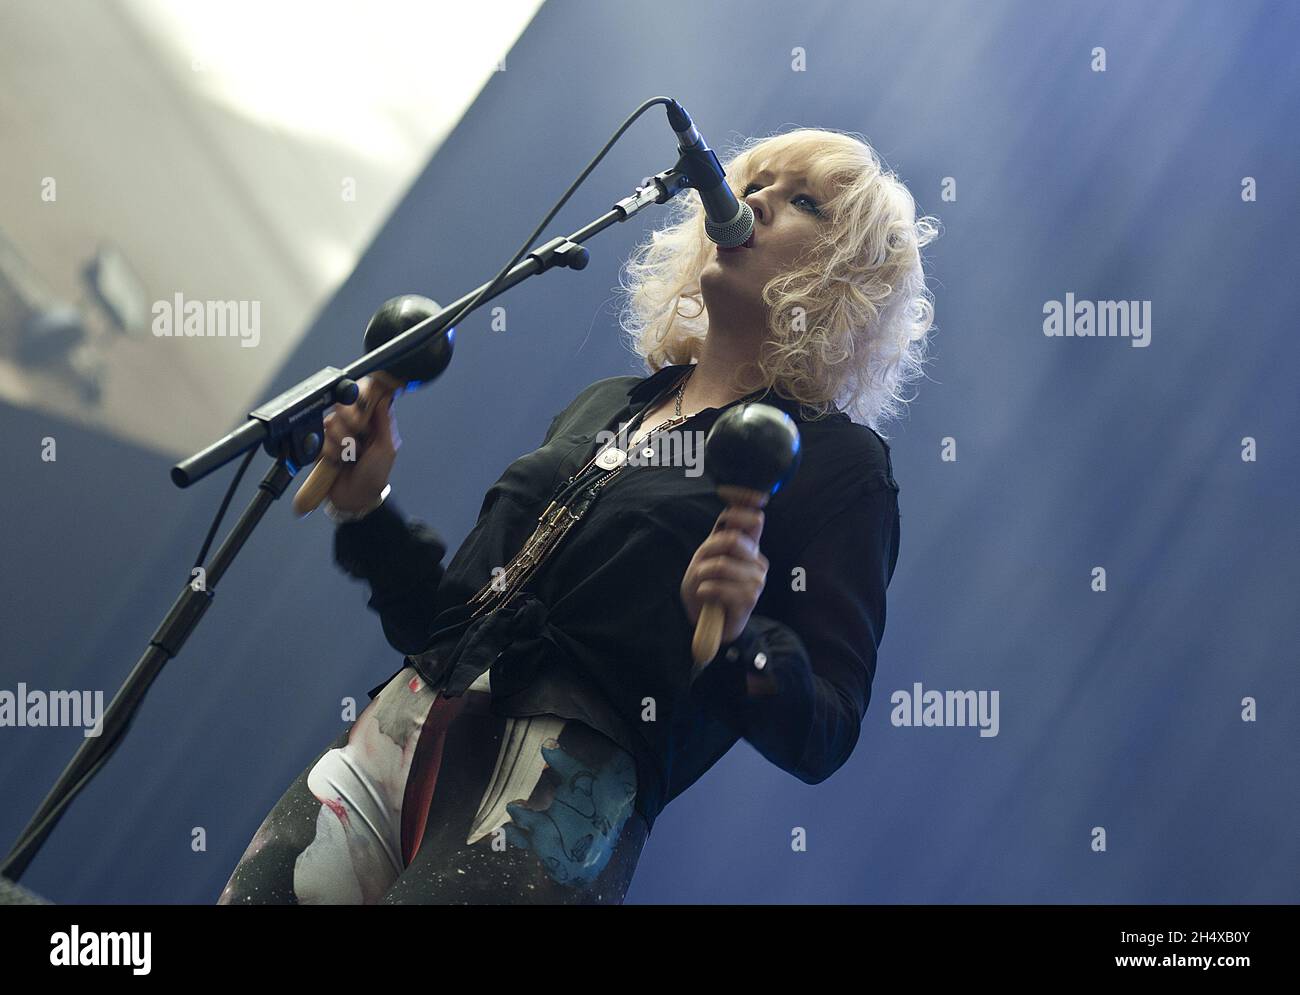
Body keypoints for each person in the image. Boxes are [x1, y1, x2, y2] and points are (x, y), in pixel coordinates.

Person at [217, 127, 939, 905]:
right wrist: (368, 512)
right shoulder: (604, 406)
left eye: (803, 201)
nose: (755, 199)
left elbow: (825, 731)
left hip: (558, 794)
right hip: (397, 728)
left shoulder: (837, 464)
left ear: (845, 275)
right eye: (752, 181)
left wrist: (740, 642)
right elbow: (439, 620)